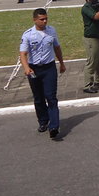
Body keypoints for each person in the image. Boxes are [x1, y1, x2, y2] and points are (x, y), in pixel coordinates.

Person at [19, 8, 66, 139]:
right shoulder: (28, 35)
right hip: (34, 69)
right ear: (34, 20)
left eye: (46, 19)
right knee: (39, 97)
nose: (44, 21)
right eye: (41, 19)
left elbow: (57, 47)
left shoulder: (51, 31)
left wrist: (62, 63)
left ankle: (54, 126)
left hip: (49, 68)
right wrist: (26, 67)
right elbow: (23, 53)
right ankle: (43, 121)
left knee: (51, 97)